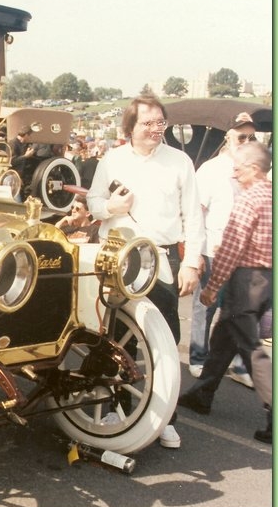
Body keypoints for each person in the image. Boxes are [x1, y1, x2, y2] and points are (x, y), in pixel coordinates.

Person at [87, 95, 205, 450]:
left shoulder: (180, 161)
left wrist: (191, 263)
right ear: (129, 128)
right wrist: (111, 206)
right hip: (118, 257)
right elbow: (93, 204)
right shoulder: (112, 159)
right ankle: (113, 409)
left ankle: (166, 419)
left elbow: (194, 217)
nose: (155, 130)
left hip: (162, 258)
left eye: (160, 123)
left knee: (164, 343)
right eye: (147, 123)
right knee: (113, 339)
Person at [177, 141, 272, 443]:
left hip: (247, 281)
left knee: (252, 350)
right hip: (267, 279)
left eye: (239, 165)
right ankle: (202, 394)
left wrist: (213, 287)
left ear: (254, 169)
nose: (234, 170)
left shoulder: (247, 200)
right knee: (224, 338)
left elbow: (232, 248)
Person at [187, 113, 256, 385]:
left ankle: (238, 366)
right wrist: (197, 254)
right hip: (214, 251)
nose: (247, 141)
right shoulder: (211, 170)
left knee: (240, 312)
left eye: (252, 137)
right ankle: (198, 358)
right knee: (206, 306)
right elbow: (196, 214)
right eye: (241, 136)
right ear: (227, 137)